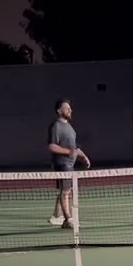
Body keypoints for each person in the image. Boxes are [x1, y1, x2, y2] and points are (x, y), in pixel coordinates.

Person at [47, 98, 90, 229]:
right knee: (65, 192)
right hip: (62, 164)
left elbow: (75, 148)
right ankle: (68, 220)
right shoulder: (56, 126)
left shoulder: (70, 127)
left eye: (70, 108)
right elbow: (52, 147)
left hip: (71, 165)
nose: (70, 110)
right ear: (59, 111)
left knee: (66, 191)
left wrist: (84, 157)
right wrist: (68, 152)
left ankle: (59, 215)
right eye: (67, 108)